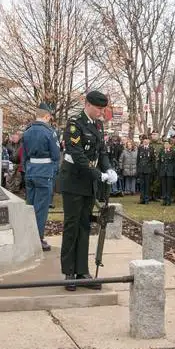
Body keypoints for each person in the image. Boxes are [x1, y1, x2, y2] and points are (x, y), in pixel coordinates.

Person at [58, 90, 115, 291]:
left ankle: (82, 270)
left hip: (88, 184)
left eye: (103, 109)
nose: (101, 112)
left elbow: (102, 151)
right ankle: (69, 272)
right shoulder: (75, 123)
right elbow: (77, 153)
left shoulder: (97, 125)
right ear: (87, 104)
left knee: (84, 226)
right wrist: (97, 174)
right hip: (74, 182)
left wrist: (108, 168)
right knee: (72, 226)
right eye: (98, 108)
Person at [23, 102, 61, 251]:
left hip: (31, 170)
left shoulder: (27, 131)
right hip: (44, 172)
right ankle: (37, 238)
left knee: (30, 205)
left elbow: (24, 155)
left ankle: (27, 236)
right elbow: (56, 155)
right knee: (41, 208)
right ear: (47, 116)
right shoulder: (49, 132)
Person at [136, 136, 154, 204]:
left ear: (149, 141)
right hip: (141, 169)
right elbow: (138, 159)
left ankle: (146, 199)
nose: (145, 141)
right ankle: (142, 199)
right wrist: (138, 168)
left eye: (147, 140)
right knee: (142, 184)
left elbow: (153, 161)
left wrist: (152, 170)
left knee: (147, 185)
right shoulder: (140, 148)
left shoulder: (151, 149)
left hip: (148, 170)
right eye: (144, 140)